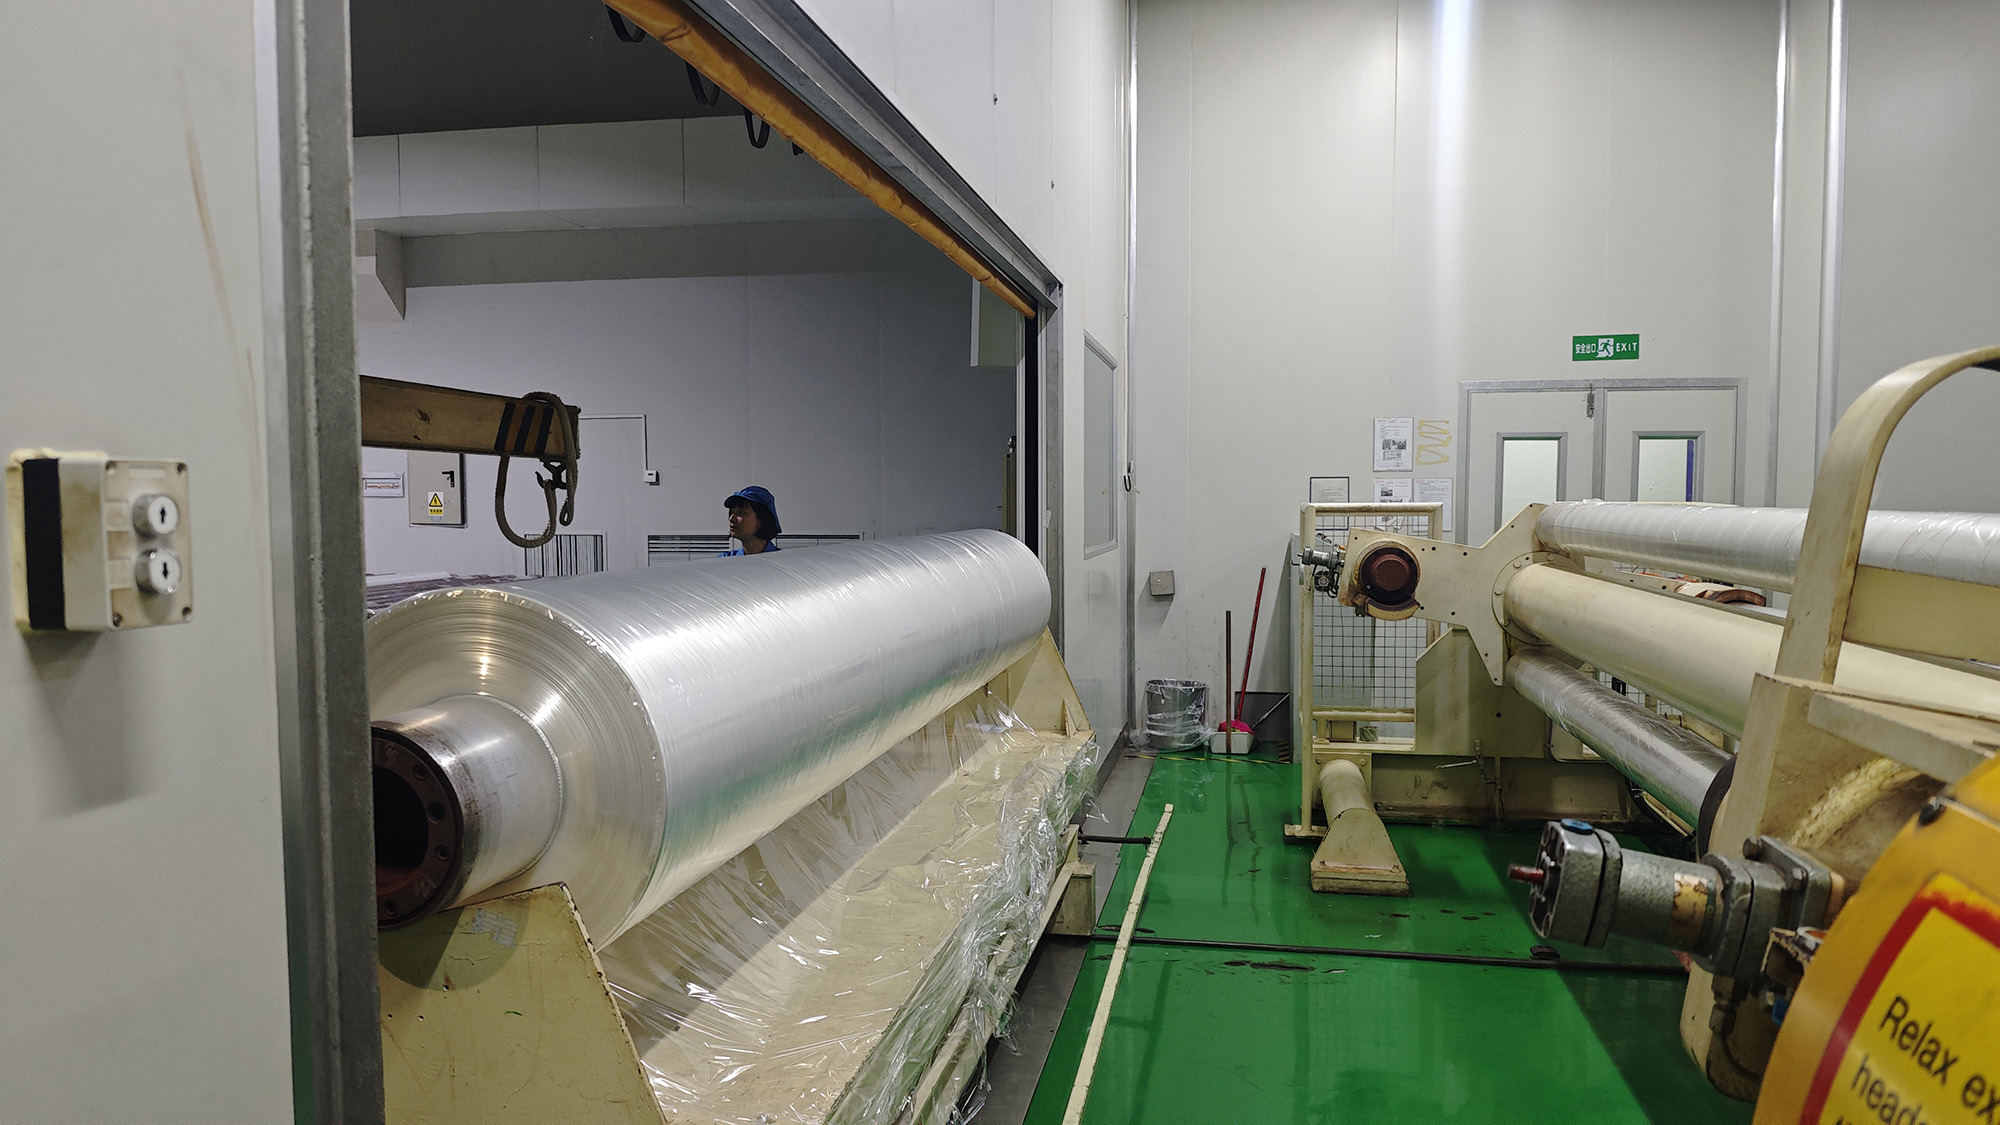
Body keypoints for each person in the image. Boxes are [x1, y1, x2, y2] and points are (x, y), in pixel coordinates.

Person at [720, 485, 782, 556]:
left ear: (762, 518)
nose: (731, 518)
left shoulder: (782, 560)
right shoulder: (725, 560)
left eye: (741, 512)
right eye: (731, 512)